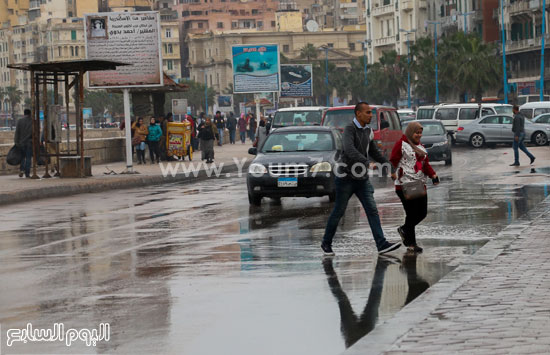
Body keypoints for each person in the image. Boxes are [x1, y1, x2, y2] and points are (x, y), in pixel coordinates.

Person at [321, 102, 401, 256]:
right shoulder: (349, 129)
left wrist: (389, 167)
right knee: (339, 211)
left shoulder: (368, 130)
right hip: (346, 177)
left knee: (372, 210)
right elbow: (349, 150)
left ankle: (381, 244)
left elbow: (375, 153)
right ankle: (326, 242)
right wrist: (366, 162)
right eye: (368, 113)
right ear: (358, 114)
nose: (371, 115)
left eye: (371, 113)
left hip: (362, 179)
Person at [390, 121, 438, 253]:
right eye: (416, 132)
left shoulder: (421, 147)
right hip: (404, 186)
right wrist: (393, 172)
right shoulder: (401, 144)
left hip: (419, 184)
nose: (419, 135)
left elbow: (425, 164)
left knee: (422, 213)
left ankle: (404, 229)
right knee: (411, 214)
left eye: (420, 133)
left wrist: (433, 175)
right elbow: (393, 159)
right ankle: (411, 244)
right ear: (410, 132)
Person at [14, 109, 33, 178]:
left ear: (24, 113)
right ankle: (27, 173)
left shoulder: (19, 121)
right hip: (29, 143)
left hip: (21, 143)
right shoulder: (32, 121)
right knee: (28, 158)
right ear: (30, 114)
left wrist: (16, 142)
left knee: (22, 157)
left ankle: (22, 170)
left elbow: (17, 133)